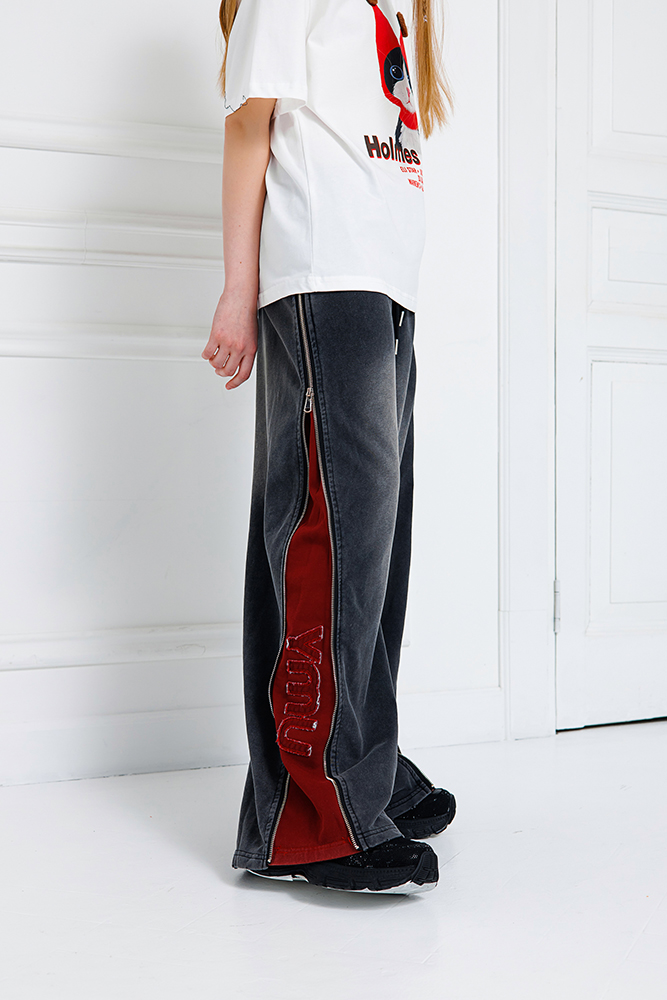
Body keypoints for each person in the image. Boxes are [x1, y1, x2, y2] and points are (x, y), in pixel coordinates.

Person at [202, 0, 456, 894]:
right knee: (329, 539)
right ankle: (318, 810)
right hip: (324, 275)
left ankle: (362, 763)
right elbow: (249, 127)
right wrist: (238, 292)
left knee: (373, 547)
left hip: (382, 285)